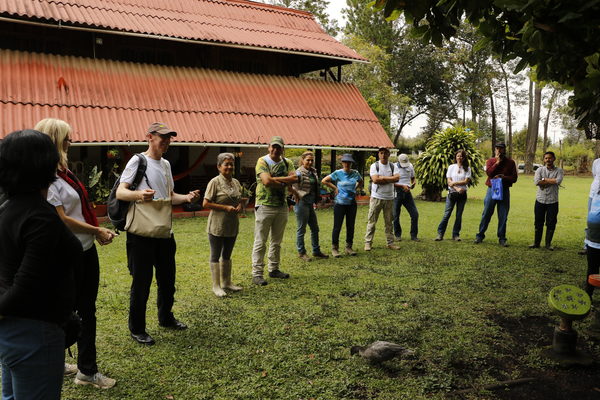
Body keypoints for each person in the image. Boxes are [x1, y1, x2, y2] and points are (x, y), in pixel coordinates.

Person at [35, 118, 117, 389]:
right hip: (69, 255)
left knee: (80, 310)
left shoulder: (64, 173)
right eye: (67, 138)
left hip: (83, 250)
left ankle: (71, 365)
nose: (71, 142)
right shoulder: (46, 178)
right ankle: (86, 371)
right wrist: (96, 230)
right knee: (75, 311)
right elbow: (61, 219)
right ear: (55, 141)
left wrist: (93, 234)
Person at [0, 129, 81, 399]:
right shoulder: (39, 218)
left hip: (14, 334)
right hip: (34, 333)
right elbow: (26, 285)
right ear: (44, 163)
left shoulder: (8, 207)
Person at [116, 122, 200, 345]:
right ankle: (137, 328)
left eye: (169, 137)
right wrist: (140, 195)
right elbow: (121, 192)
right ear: (149, 137)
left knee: (167, 279)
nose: (166, 141)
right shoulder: (138, 160)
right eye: (162, 137)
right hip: (141, 234)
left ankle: (165, 317)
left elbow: (170, 196)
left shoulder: (165, 165)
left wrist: (187, 198)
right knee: (141, 282)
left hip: (163, 231)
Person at [251, 136, 298, 286]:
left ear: (283, 149)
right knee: (261, 241)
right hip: (264, 205)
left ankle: (274, 269)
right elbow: (266, 181)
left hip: (282, 206)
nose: (276, 150)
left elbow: (295, 179)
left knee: (276, 241)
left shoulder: (288, 162)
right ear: (269, 147)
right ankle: (257, 273)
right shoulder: (262, 161)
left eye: (279, 147)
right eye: (274, 147)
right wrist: (284, 180)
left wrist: (274, 179)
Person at [203, 153, 247, 297]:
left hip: (232, 224)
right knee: (215, 255)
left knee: (227, 254)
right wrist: (225, 208)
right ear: (219, 166)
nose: (229, 167)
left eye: (231, 164)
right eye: (226, 164)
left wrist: (241, 204)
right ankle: (216, 286)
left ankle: (227, 282)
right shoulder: (214, 182)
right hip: (217, 225)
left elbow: (239, 199)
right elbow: (205, 203)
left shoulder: (235, 182)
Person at [474, 142, 518, 246]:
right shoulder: (490, 161)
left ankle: (502, 238)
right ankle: (480, 235)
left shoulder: (511, 162)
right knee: (487, 213)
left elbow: (514, 178)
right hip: (492, 188)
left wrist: (503, 177)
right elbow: (489, 173)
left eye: (501, 148)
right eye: (497, 148)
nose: (499, 150)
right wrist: (497, 163)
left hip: (504, 190)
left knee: (503, 215)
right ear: (495, 150)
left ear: (504, 150)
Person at [322, 153, 363, 257]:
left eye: (349, 162)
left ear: (351, 163)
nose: (347, 164)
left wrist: (356, 188)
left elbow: (361, 181)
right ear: (342, 163)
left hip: (351, 204)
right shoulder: (338, 173)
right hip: (340, 204)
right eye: (345, 162)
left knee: (350, 226)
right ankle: (334, 248)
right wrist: (335, 188)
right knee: (337, 226)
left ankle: (349, 247)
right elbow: (324, 180)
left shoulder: (355, 173)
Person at [293, 151, 328, 262]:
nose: (310, 162)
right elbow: (293, 186)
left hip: (310, 203)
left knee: (315, 228)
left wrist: (317, 198)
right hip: (302, 203)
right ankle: (301, 252)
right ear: (302, 160)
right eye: (308, 160)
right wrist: (297, 194)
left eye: (312, 160)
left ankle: (316, 251)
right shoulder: (298, 172)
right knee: (301, 229)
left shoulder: (313, 172)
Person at [364, 147, 400, 251]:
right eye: (381, 153)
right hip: (377, 197)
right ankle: (368, 243)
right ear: (378, 154)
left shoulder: (393, 166)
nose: (383, 155)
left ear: (389, 154)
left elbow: (397, 178)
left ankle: (390, 243)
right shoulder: (374, 166)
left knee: (389, 222)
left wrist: (383, 178)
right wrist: (390, 179)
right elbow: (375, 180)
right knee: (372, 221)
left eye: (385, 153)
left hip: (389, 198)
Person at [530, 151, 563, 250]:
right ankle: (536, 243)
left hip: (553, 201)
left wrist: (544, 180)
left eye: (550, 158)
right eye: (546, 158)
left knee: (551, 222)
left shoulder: (559, 170)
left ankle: (548, 244)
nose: (548, 160)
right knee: (538, 222)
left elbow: (558, 181)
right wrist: (551, 180)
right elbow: (537, 182)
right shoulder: (539, 170)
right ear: (544, 160)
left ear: (554, 159)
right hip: (540, 200)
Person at [436, 150, 472, 241]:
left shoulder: (467, 168)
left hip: (462, 195)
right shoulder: (451, 167)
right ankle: (440, 234)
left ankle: (455, 235)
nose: (459, 158)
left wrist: (454, 183)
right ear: (455, 157)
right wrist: (457, 188)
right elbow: (448, 181)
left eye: (461, 156)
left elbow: (466, 181)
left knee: (459, 215)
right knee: (447, 214)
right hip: (452, 194)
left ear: (464, 158)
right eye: (458, 156)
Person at [393, 153, 420, 241]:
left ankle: (414, 235)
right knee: (396, 215)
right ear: (398, 161)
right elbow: (391, 183)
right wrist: (402, 186)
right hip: (397, 193)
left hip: (407, 192)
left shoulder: (410, 166)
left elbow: (412, 177)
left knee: (415, 214)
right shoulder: (393, 167)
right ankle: (397, 235)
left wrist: (413, 182)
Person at [580, 157, 600, 255]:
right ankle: (588, 245)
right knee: (591, 220)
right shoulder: (597, 162)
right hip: (593, 194)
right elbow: (595, 176)